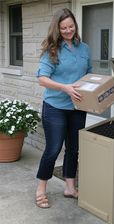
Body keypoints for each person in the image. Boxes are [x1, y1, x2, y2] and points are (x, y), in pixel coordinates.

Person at [35, 8, 92, 208]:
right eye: (63, 27)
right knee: (53, 148)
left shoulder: (84, 48)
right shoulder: (52, 49)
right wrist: (65, 88)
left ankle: (70, 187)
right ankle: (41, 189)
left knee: (74, 148)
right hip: (55, 107)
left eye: (71, 26)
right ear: (57, 29)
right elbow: (42, 79)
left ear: (75, 25)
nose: (68, 30)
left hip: (77, 106)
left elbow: (89, 74)